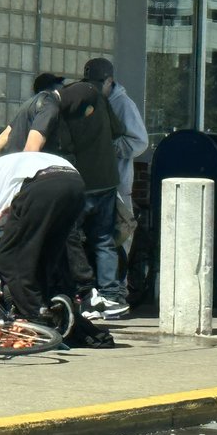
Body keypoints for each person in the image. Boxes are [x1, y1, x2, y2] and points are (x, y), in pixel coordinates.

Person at [0, 151, 86, 327]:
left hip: (44, 183)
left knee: (9, 258)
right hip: (74, 182)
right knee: (43, 259)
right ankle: (57, 313)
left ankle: (36, 316)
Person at [51, 72, 129, 320]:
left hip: (81, 181)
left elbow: (62, 141)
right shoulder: (100, 99)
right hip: (106, 181)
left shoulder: (64, 101)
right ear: (106, 81)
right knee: (104, 239)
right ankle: (111, 296)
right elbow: (119, 130)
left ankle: (82, 293)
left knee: (70, 237)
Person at [83, 58, 149, 302]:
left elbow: (139, 141)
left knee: (118, 237)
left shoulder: (122, 104)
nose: (95, 87)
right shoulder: (93, 100)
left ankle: (117, 290)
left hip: (118, 184)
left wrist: (108, 147)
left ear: (110, 81)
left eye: (99, 83)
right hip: (96, 183)